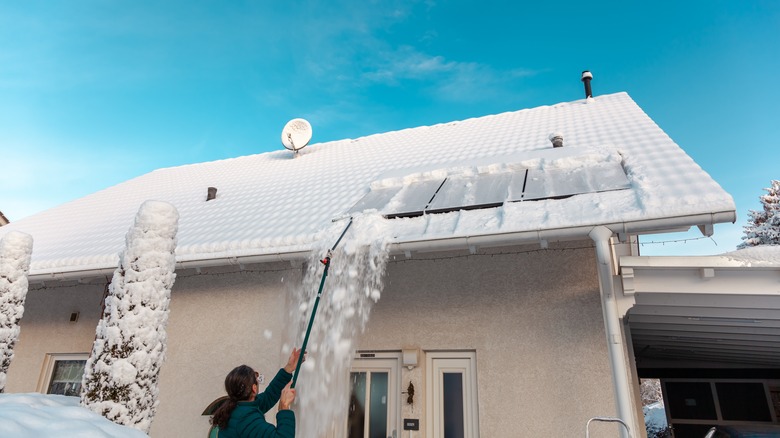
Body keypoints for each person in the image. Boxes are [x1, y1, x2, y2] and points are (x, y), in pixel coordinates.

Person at [210, 348, 303, 438]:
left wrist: (288, 368)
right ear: (254, 388)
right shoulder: (246, 419)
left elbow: (268, 397)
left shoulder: (237, 408)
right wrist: (284, 408)